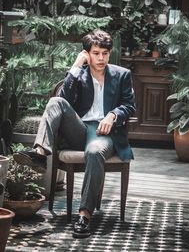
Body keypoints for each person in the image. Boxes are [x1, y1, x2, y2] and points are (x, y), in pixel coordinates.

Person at [13, 29, 135, 238]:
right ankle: (40, 153)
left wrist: (113, 115)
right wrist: (77, 66)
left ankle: (84, 215)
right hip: (79, 129)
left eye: (105, 53)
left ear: (109, 53)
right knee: (55, 102)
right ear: (87, 53)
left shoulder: (121, 74)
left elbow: (129, 106)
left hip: (103, 132)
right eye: (96, 53)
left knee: (95, 152)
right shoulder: (80, 74)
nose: (101, 58)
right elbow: (64, 100)